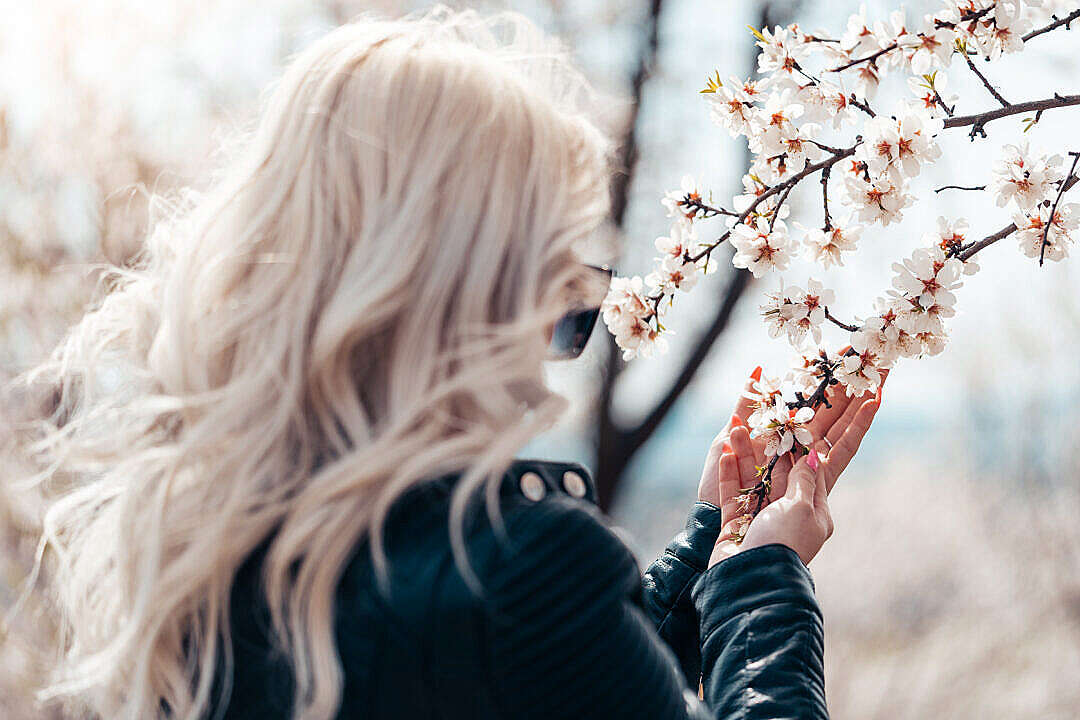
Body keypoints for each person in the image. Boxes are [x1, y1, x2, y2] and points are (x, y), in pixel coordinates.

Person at [19, 7, 882, 720]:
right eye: (557, 296)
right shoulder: (522, 571)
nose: (553, 360)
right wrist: (764, 586)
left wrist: (708, 550)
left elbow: (536, 682)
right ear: (463, 294)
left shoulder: (203, 555)